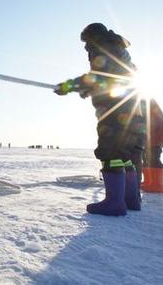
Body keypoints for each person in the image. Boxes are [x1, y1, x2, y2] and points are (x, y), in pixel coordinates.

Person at [54, 23, 145, 216]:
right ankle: (131, 200)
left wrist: (69, 86)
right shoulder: (118, 50)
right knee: (125, 155)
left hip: (115, 111)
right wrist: (88, 89)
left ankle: (114, 203)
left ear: (94, 37)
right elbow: (111, 78)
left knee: (110, 153)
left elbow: (97, 76)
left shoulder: (103, 47)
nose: (86, 47)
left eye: (86, 42)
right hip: (134, 108)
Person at [141, 99, 163, 193]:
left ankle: (158, 185)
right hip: (153, 135)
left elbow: (152, 122)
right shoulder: (144, 103)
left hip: (157, 135)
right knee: (146, 157)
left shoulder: (146, 103)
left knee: (153, 157)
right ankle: (149, 182)